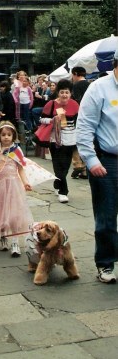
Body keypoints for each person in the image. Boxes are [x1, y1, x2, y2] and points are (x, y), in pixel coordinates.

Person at [76, 50, 118, 284]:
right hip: (107, 161)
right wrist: (91, 160)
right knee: (106, 216)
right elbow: (84, 127)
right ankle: (105, 263)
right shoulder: (99, 88)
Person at [0, 121, 33, 256]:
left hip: (13, 184)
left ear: (13, 136)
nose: (6, 137)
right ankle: (3, 237)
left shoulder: (16, 150)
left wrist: (25, 182)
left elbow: (20, 169)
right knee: (0, 211)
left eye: (9, 135)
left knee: (14, 213)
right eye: (3, 134)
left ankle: (15, 241)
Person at [40, 79, 79, 203]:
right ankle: (63, 192)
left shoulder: (75, 105)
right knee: (58, 165)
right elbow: (41, 119)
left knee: (66, 166)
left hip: (71, 140)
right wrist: (52, 120)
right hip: (54, 140)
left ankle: (57, 183)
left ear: (70, 93)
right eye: (62, 92)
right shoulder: (51, 104)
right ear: (58, 92)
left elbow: (80, 121)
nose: (64, 95)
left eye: (67, 92)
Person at [70, 66, 90, 180]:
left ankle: (78, 164)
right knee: (86, 141)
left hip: (78, 117)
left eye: (73, 75)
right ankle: (85, 170)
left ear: (76, 74)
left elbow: (75, 102)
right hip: (89, 117)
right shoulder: (90, 85)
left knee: (75, 142)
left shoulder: (76, 86)